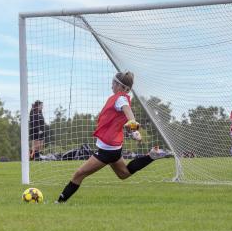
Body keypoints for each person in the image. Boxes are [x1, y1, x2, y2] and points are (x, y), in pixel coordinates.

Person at [56, 71, 166, 203]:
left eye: (113, 83)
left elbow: (130, 115)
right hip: (113, 147)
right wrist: (131, 130)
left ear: (119, 85)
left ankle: (59, 203)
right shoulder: (118, 98)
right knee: (124, 174)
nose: (111, 86)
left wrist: (135, 131)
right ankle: (151, 156)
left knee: (79, 174)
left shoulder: (121, 99)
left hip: (107, 150)